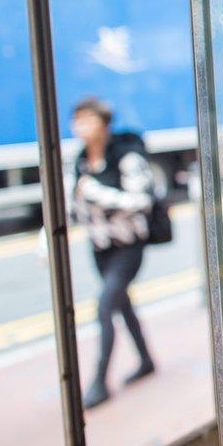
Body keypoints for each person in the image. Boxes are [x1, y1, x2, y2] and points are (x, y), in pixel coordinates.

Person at [71, 97, 156, 409]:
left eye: (88, 120)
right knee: (122, 305)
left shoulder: (126, 156)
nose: (81, 127)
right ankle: (146, 359)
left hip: (128, 247)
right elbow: (76, 205)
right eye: (77, 121)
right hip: (101, 249)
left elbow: (142, 201)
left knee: (105, 306)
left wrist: (98, 194)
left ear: (104, 123)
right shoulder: (81, 160)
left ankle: (99, 381)